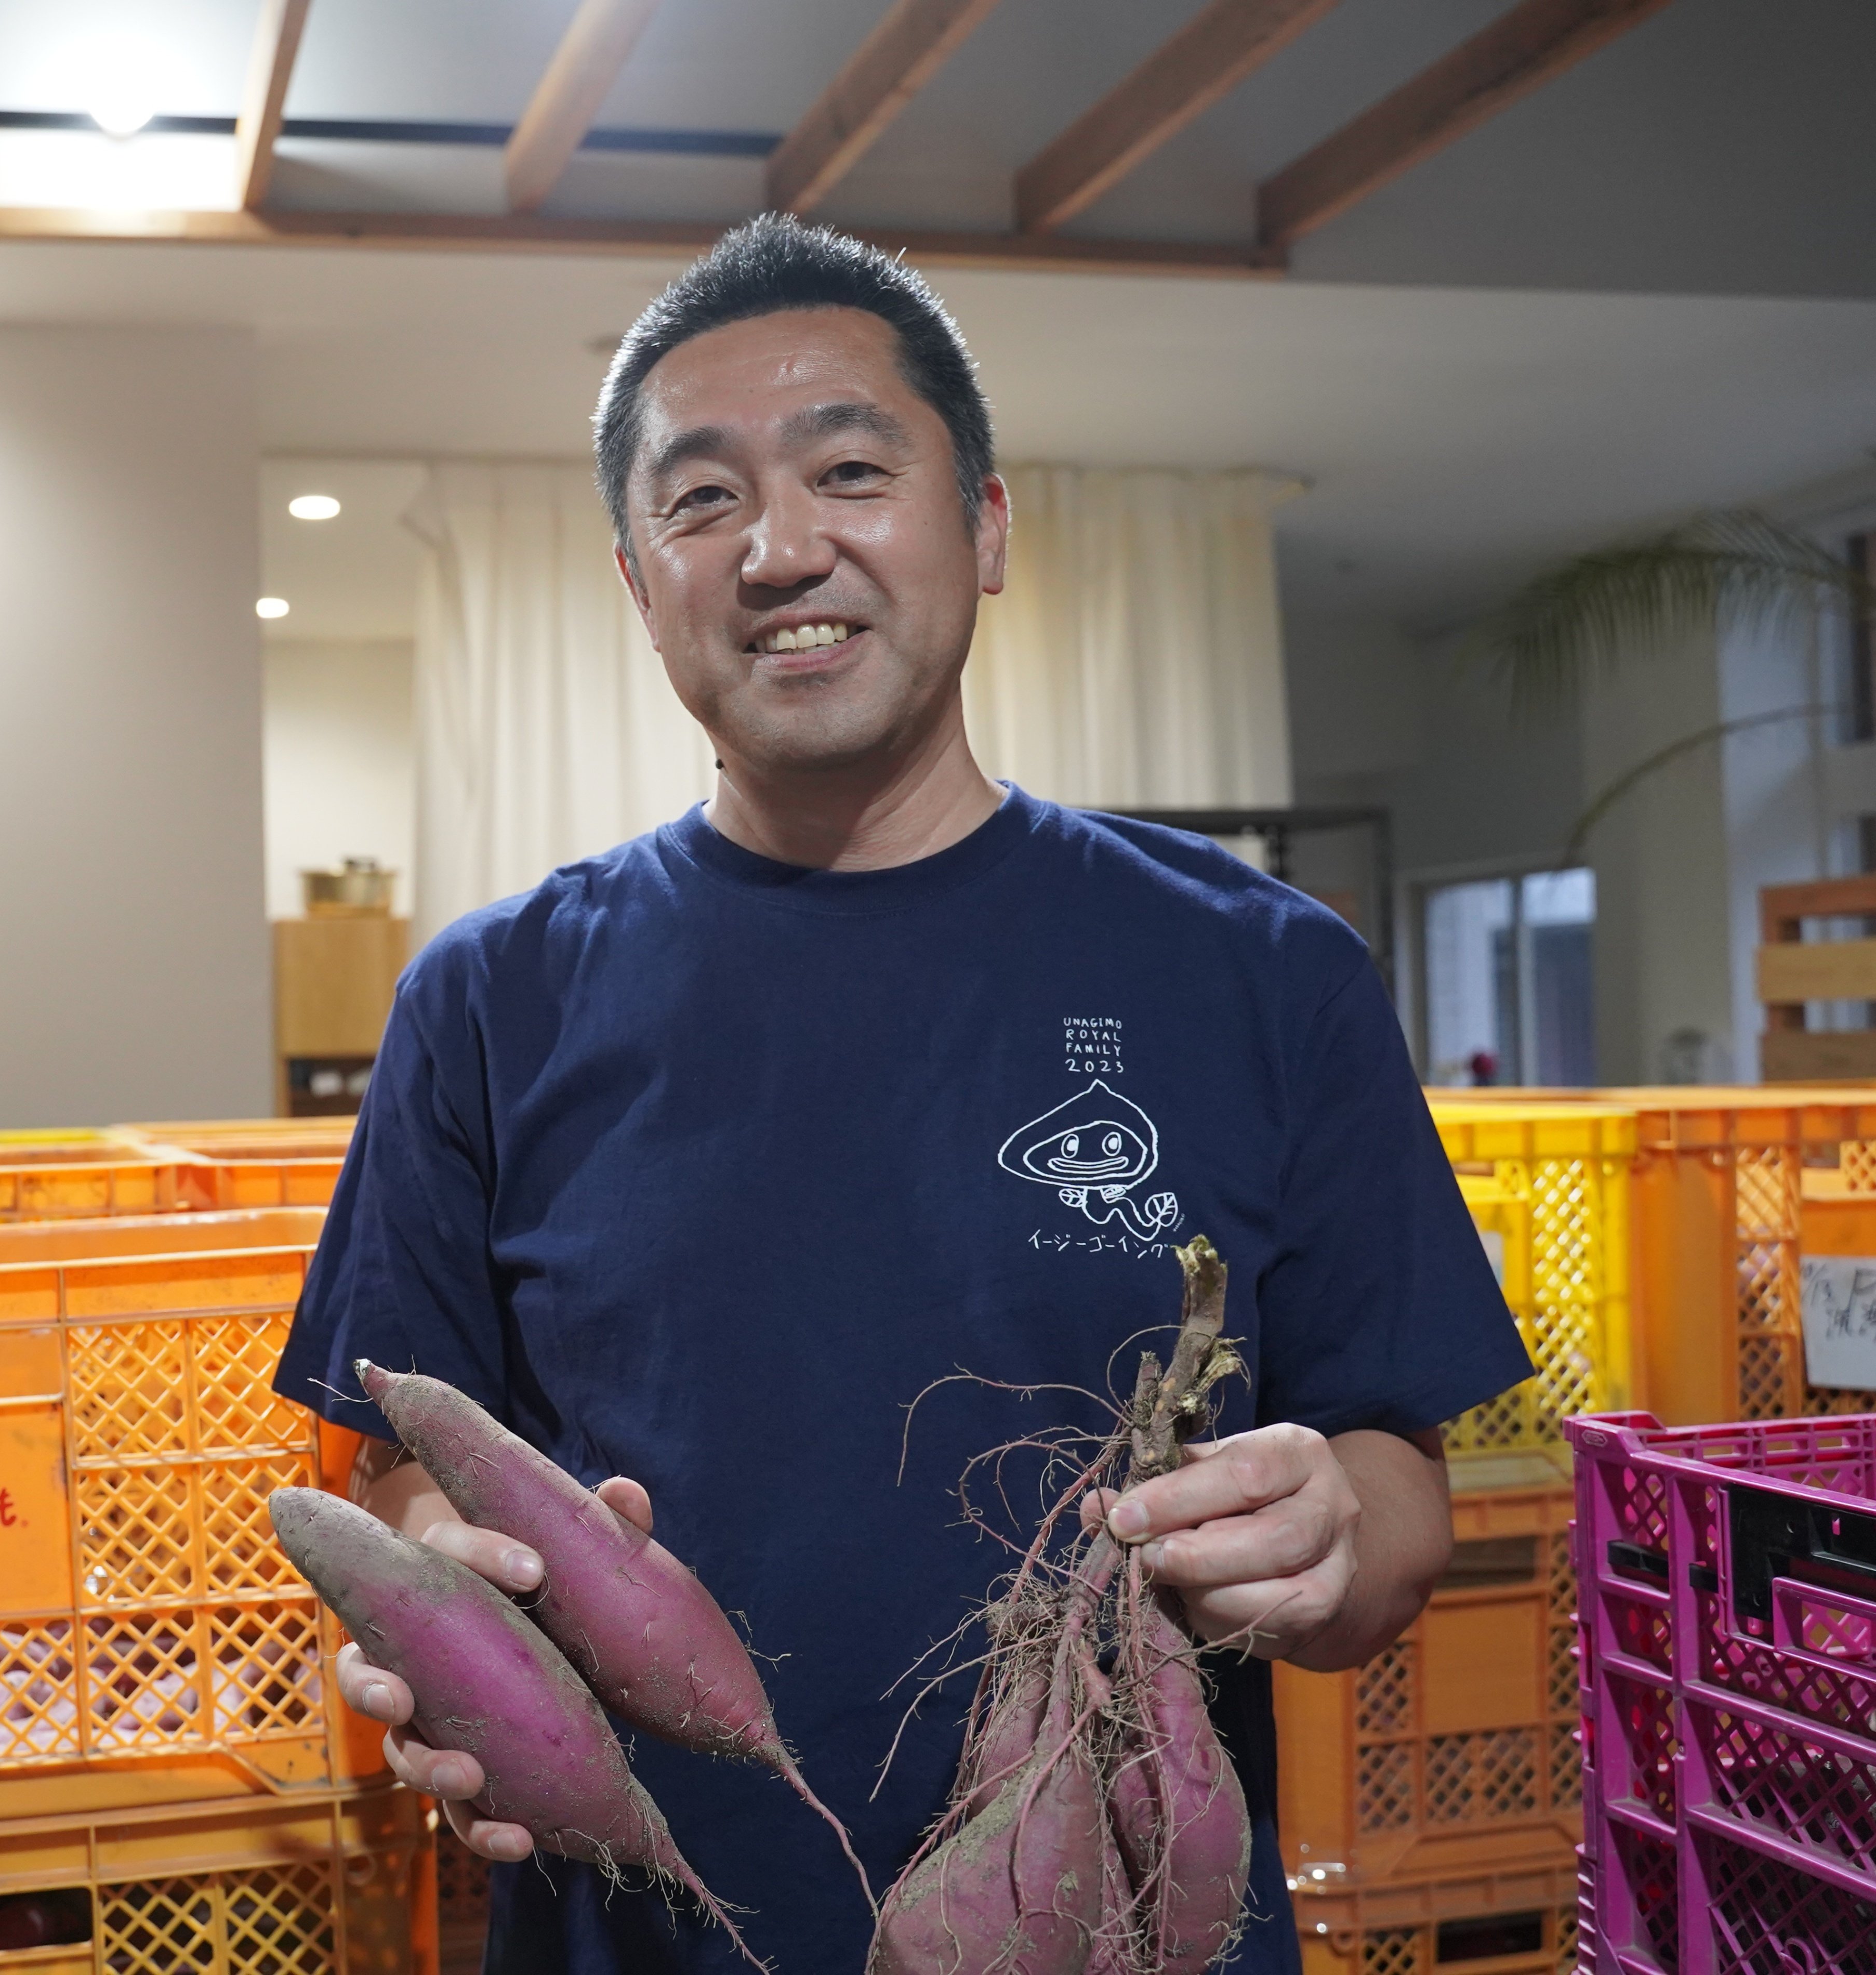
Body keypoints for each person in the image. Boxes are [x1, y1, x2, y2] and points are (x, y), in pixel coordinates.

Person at [272, 214, 1530, 1975]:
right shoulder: (492, 998)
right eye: (700, 502)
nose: (781, 547)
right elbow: (398, 1461)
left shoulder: (1258, 967)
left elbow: (1399, 1498)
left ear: (985, 526)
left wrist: (1330, 1528)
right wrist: (449, 1605)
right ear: (639, 585)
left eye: (849, 469)